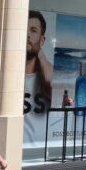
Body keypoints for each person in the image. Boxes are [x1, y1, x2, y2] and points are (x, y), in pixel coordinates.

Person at [24, 10, 54, 146]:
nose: (27, 35)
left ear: (42, 40)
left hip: (40, 147)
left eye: (33, 31)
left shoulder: (48, 75)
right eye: (24, 29)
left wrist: (42, 59)